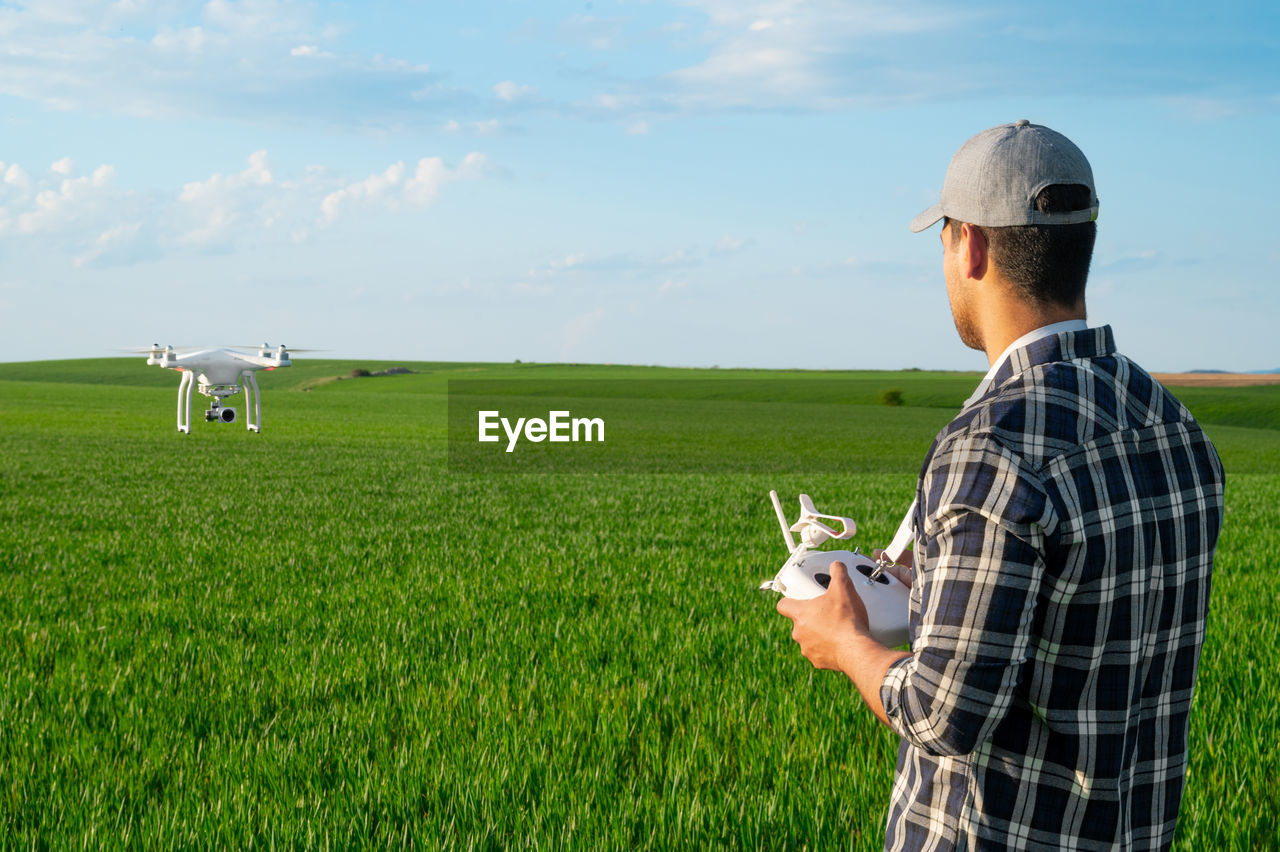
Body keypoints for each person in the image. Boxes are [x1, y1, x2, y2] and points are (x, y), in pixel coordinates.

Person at [776, 121, 1225, 851]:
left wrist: (845, 639)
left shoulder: (991, 446)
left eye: (945, 240)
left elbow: (943, 711)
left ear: (971, 245)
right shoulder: (1171, 423)